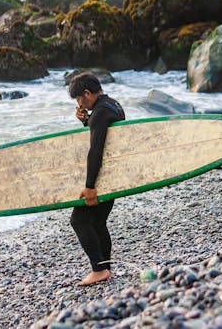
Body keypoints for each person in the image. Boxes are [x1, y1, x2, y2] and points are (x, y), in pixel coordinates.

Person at [68, 73, 125, 286]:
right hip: (113, 175)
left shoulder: (100, 112)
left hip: (102, 176)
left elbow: (96, 150)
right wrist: (86, 121)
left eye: (79, 99)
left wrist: (89, 186)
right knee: (98, 221)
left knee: (80, 221)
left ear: (87, 93)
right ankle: (105, 268)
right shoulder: (113, 106)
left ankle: (99, 269)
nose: (79, 104)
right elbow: (104, 135)